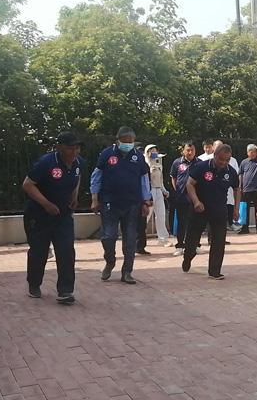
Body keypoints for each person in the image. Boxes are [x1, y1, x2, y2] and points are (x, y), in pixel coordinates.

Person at [22, 132, 84, 303]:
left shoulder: (78, 162)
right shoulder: (46, 163)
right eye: (70, 148)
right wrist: (46, 204)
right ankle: (34, 284)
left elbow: (77, 176)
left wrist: (74, 195)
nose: (74, 152)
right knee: (39, 252)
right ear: (59, 147)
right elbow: (27, 184)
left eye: (77, 148)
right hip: (39, 215)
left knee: (66, 251)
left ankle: (65, 291)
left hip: (63, 215)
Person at [91, 127, 152, 285]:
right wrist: (94, 198)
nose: (128, 145)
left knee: (130, 239)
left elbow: (144, 181)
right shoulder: (107, 154)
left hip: (132, 203)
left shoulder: (138, 157)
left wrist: (146, 201)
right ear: (118, 141)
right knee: (108, 236)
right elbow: (96, 176)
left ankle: (127, 272)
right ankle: (110, 261)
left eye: (131, 142)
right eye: (125, 142)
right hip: (109, 202)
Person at [182, 143, 240, 279]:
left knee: (219, 240)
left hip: (219, 209)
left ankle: (214, 271)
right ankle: (188, 256)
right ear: (215, 155)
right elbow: (189, 184)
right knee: (192, 240)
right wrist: (196, 201)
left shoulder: (230, 172)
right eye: (221, 159)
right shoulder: (202, 167)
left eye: (227, 160)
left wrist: (236, 209)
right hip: (200, 209)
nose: (223, 163)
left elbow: (237, 189)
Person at [169, 141, 199, 256]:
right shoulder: (177, 162)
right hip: (181, 197)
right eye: (188, 150)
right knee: (181, 222)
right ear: (183, 151)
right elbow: (174, 178)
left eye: (192, 150)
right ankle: (180, 245)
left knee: (195, 223)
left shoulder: (200, 163)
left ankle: (195, 245)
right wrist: (178, 190)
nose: (190, 152)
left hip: (195, 198)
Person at [238, 144, 257, 234]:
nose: (252, 153)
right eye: (250, 152)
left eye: (254, 152)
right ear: (247, 152)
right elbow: (241, 174)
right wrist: (240, 186)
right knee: (244, 210)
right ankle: (244, 228)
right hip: (246, 189)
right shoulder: (244, 162)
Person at [142, 144, 170, 246]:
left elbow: (160, 179)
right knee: (146, 215)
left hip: (158, 190)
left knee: (161, 215)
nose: (154, 152)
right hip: (149, 191)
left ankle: (163, 239)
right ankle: (139, 238)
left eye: (155, 150)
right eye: (151, 150)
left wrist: (164, 190)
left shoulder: (158, 163)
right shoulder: (145, 163)